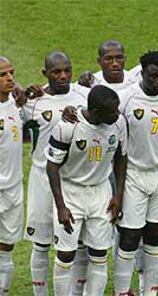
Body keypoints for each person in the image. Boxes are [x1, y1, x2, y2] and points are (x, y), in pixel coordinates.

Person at [113, 51, 158, 296]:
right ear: (142, 73)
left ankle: (149, 291)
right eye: (153, 76)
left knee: (155, 235)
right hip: (134, 174)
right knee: (130, 237)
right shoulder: (125, 99)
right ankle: (122, 292)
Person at [46, 85, 127, 296]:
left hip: (101, 192)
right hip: (71, 191)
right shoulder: (67, 127)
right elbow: (52, 166)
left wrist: (118, 194)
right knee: (66, 254)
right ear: (97, 112)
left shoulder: (118, 124)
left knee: (100, 253)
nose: (118, 114)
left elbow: (121, 158)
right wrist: (61, 206)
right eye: (113, 111)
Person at [22, 51, 90, 296]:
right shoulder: (33, 102)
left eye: (67, 70)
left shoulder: (84, 95)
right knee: (40, 244)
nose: (63, 76)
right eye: (56, 72)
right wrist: (22, 93)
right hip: (42, 179)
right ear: (45, 74)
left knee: (78, 245)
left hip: (74, 181)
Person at [0, 57, 23, 296]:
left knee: (7, 244)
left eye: (11, 73)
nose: (10, 78)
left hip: (14, 187)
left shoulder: (16, 103)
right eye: (2, 75)